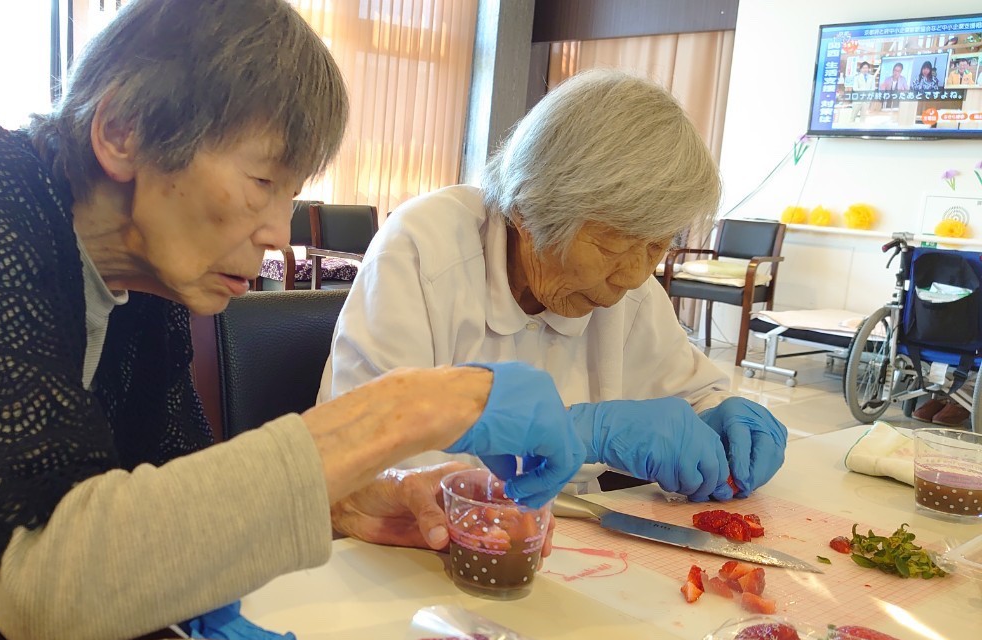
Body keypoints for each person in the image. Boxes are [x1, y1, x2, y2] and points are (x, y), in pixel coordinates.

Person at [0, 0, 587, 640]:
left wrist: (348, 501)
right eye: (262, 180)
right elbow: (42, 579)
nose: (277, 229)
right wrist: (407, 410)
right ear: (123, 130)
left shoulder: (146, 283)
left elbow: (161, 503)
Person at [318, 70, 788, 529]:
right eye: (611, 244)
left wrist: (722, 421)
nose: (634, 275)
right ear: (527, 210)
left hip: (564, 544)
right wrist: (580, 431)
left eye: (656, 246)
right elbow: (385, 469)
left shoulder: (629, 290)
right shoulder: (422, 251)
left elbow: (692, 393)